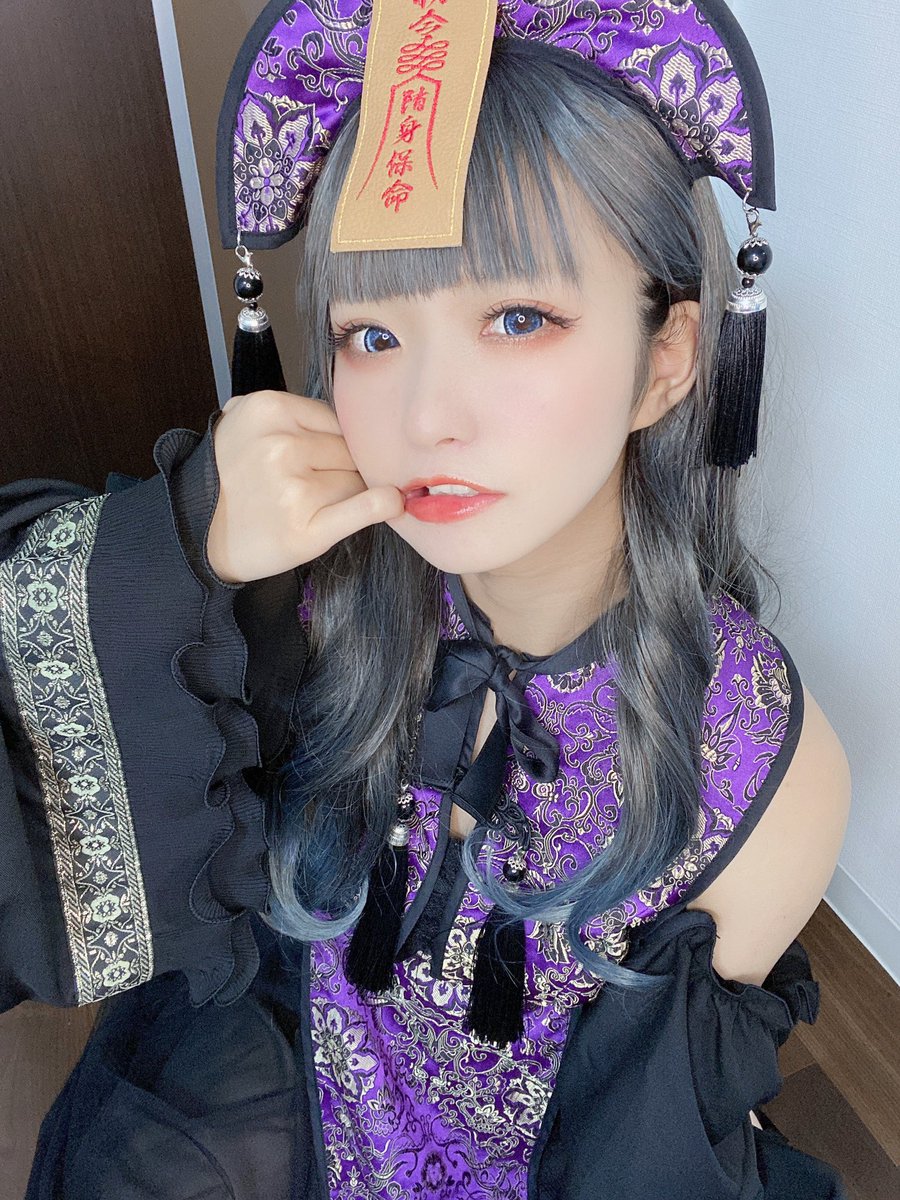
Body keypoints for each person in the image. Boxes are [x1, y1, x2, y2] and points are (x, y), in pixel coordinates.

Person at [0, 2, 851, 1197]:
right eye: (370, 335)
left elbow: (637, 1141)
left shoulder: (760, 764)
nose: (424, 416)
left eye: (518, 318)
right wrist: (184, 543)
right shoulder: (308, 600)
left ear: (668, 356)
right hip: (291, 1082)